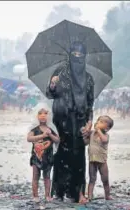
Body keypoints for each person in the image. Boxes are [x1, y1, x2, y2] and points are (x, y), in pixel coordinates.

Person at [46, 41, 94, 203]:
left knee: (78, 156)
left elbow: (90, 104)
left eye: (81, 55)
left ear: (85, 57)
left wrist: (89, 123)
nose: (77, 58)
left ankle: (78, 193)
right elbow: (50, 94)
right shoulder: (60, 73)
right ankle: (58, 192)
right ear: (69, 55)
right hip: (61, 121)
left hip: (79, 122)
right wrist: (53, 84)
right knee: (61, 156)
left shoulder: (88, 79)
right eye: (75, 55)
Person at [27, 103, 60, 202]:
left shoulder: (51, 129)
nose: (43, 115)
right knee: (35, 176)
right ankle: (35, 196)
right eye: (40, 113)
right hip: (36, 156)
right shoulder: (34, 129)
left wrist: (50, 135)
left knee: (47, 177)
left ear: (49, 116)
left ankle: (47, 195)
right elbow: (29, 138)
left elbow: (57, 140)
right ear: (36, 116)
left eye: (45, 113)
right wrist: (42, 136)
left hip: (48, 157)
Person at [84, 115, 114, 201]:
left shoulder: (106, 135)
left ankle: (107, 195)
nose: (98, 122)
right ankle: (89, 196)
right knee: (92, 179)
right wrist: (86, 134)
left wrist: (98, 130)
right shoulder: (92, 133)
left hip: (102, 161)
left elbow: (104, 140)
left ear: (107, 128)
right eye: (98, 120)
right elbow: (86, 142)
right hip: (92, 160)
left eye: (101, 122)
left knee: (105, 179)